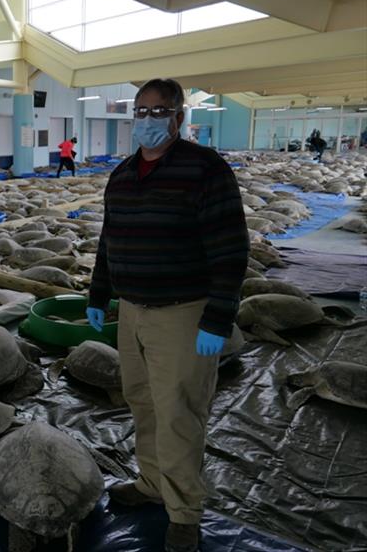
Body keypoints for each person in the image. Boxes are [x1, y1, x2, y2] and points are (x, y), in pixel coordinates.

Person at [85, 78, 249, 552]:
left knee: (179, 411)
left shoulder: (205, 169)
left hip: (183, 312)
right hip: (133, 310)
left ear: (179, 117)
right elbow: (107, 240)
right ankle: (153, 482)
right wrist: (99, 294)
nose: (148, 120)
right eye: (141, 111)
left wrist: (218, 317)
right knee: (141, 401)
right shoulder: (122, 174)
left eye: (159, 112)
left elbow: (230, 247)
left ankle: (184, 513)